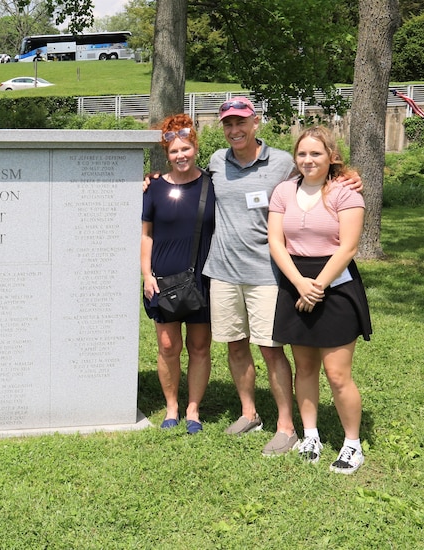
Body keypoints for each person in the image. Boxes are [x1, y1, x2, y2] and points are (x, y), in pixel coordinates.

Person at [202, 97, 363, 456]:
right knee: (235, 345)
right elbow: (188, 178)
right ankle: (249, 413)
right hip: (223, 271)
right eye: (227, 124)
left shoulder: (281, 163)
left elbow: (317, 176)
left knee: (272, 350)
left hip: (267, 273)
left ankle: (287, 426)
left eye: (240, 122)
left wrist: (349, 177)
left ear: (255, 123)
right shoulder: (215, 161)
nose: (234, 130)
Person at [268, 126, 372, 474]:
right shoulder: (284, 191)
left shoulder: (345, 192)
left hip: (336, 286)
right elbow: (276, 243)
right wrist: (299, 283)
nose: (308, 160)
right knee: (306, 368)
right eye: (302, 154)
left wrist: (318, 287)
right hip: (295, 283)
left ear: (331, 157)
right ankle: (310, 435)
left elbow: (349, 247)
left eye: (316, 154)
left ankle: (352, 444)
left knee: (337, 373)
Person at [141, 114, 215, 434]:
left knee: (199, 347)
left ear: (195, 147)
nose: (180, 155)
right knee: (169, 346)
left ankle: (193, 409)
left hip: (203, 279)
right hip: (164, 280)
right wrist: (147, 274)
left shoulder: (212, 184)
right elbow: (146, 235)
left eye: (185, 148)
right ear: (166, 154)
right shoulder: (153, 187)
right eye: (173, 151)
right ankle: (171, 407)